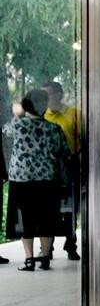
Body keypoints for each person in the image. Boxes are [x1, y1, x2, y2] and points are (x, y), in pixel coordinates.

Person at [3, 89, 70, 271]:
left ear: (26, 106)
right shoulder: (54, 128)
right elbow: (63, 153)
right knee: (46, 216)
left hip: (21, 179)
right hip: (47, 179)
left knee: (25, 218)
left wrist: (18, 114)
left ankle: (29, 259)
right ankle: (45, 256)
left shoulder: (18, 126)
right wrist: (64, 180)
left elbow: (5, 130)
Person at [42, 80, 81, 261]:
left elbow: (84, 139)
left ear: (59, 95)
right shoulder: (42, 116)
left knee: (71, 208)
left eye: (48, 94)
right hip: (49, 168)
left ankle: (71, 245)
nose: (45, 99)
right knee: (49, 208)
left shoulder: (73, 114)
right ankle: (47, 248)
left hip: (70, 164)